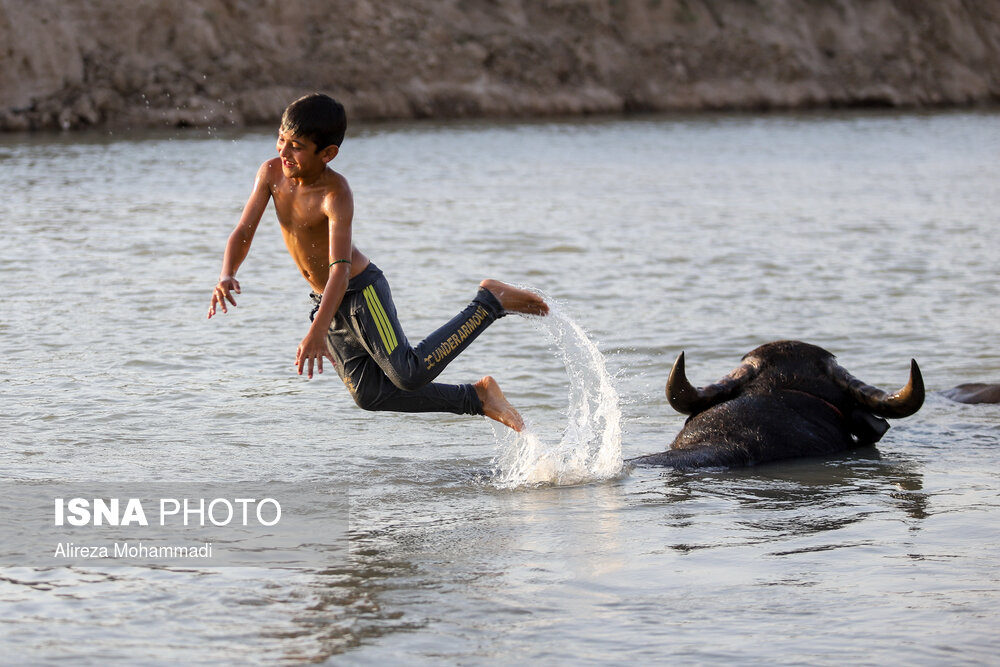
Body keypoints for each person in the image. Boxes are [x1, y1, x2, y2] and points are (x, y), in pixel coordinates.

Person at [207, 93, 548, 431]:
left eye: (295, 146)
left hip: (359, 292)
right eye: (281, 139)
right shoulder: (271, 173)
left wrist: (318, 329)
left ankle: (489, 302)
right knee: (369, 394)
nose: (283, 152)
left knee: (408, 373)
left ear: (327, 154)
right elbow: (243, 230)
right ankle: (477, 398)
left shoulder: (335, 193)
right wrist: (227, 274)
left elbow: (339, 270)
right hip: (327, 301)